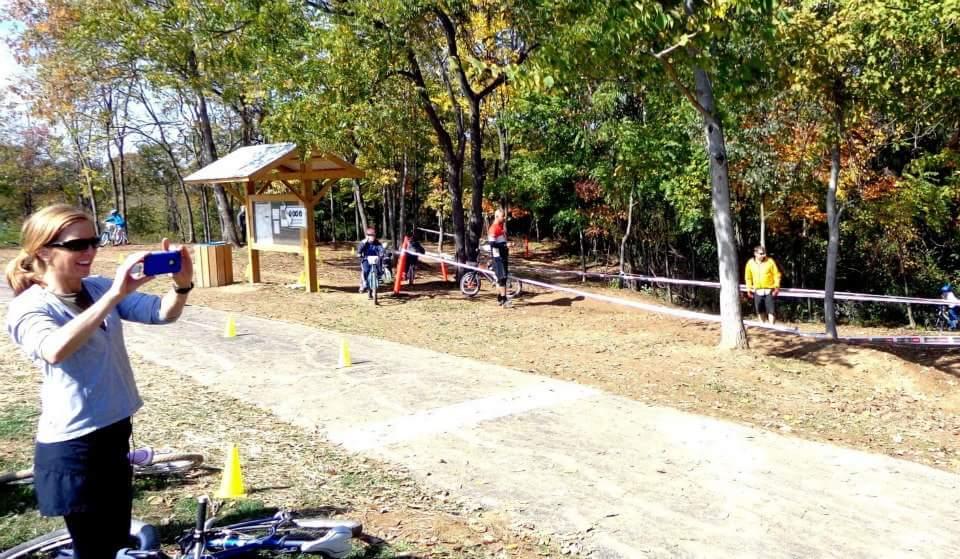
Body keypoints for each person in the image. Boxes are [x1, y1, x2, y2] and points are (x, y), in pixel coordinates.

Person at [4, 204, 193, 559]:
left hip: (114, 430)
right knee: (94, 549)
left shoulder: (97, 287)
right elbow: (54, 349)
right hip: (75, 446)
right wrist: (114, 296)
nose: (90, 251)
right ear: (44, 250)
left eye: (94, 241)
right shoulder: (30, 306)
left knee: (116, 542)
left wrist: (181, 286)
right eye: (77, 245)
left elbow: (161, 313)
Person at [744, 245, 781, 324]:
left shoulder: (770, 261)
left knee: (771, 310)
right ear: (755, 254)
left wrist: (777, 287)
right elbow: (748, 278)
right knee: (760, 311)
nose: (763, 255)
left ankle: (772, 327)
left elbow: (776, 274)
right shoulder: (750, 263)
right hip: (757, 291)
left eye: (764, 253)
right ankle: (763, 327)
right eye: (761, 253)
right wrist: (749, 289)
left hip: (769, 290)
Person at [488, 208, 510, 307]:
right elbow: (492, 244)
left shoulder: (500, 227)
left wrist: (507, 244)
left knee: (501, 278)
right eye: (503, 216)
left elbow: (501, 241)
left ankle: (500, 298)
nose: (504, 218)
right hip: (498, 258)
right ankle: (504, 300)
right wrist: (505, 246)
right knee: (502, 278)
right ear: (497, 217)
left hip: (503, 256)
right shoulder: (493, 228)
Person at [358, 227, 385, 298]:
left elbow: (381, 249)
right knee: (366, 270)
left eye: (373, 235)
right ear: (367, 236)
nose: (372, 237)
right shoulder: (363, 242)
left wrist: (382, 253)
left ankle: (379, 277)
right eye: (370, 235)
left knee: (379, 268)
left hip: (375, 259)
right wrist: (359, 254)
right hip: (366, 259)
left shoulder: (377, 243)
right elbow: (359, 250)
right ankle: (365, 285)